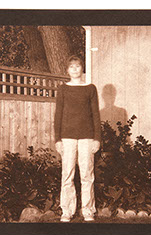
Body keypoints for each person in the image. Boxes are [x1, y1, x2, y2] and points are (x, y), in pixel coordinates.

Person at [53, 55, 101, 223]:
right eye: (71, 66)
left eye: (77, 66)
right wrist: (57, 139)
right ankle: (67, 211)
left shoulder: (90, 89)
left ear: (82, 69)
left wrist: (97, 138)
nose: (74, 69)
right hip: (67, 138)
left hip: (87, 137)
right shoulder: (63, 89)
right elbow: (58, 115)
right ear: (67, 70)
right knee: (67, 174)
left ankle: (88, 210)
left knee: (87, 174)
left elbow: (95, 114)